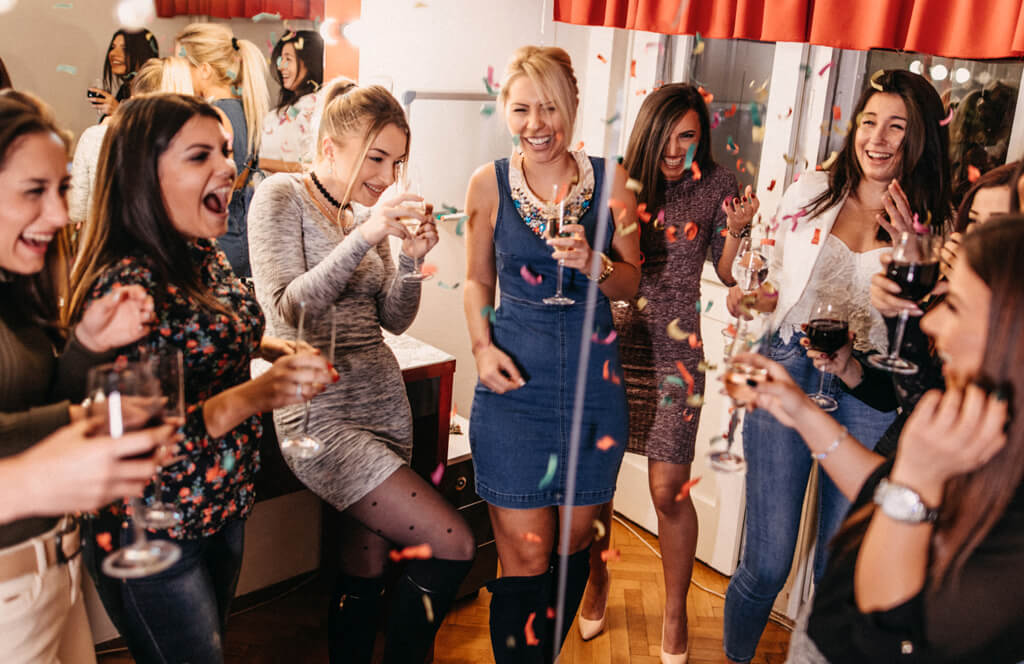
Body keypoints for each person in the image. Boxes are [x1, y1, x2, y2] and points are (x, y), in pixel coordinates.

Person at [65, 93, 333, 664]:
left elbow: (207, 326)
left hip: (221, 502)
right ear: (144, 176)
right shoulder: (122, 289)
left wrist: (266, 344)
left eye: (226, 151)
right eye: (199, 156)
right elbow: (138, 440)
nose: (227, 167)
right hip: (152, 526)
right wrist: (257, 394)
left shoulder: (197, 250)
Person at [722, 69, 952, 664]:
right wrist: (750, 294)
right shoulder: (811, 191)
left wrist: (918, 260)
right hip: (791, 366)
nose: (877, 138)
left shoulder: (934, 228)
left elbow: (929, 341)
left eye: (897, 126)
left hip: (869, 390)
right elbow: (764, 281)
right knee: (768, 560)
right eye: (869, 122)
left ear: (919, 139)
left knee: (836, 564)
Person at [249, 79, 474, 664]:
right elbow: (288, 308)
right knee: (452, 546)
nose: (386, 175)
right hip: (323, 421)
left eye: (396, 161)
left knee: (364, 569)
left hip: (383, 410)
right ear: (329, 148)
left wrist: (411, 259)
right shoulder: (280, 196)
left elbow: (393, 321)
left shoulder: (358, 213)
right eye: (376, 157)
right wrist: (367, 233)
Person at [743, 216, 1024, 663]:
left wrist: (914, 483)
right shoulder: (979, 426)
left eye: (957, 306)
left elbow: (882, 635)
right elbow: (884, 488)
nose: (930, 326)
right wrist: (796, 407)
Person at [462, 45, 641, 662]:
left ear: (571, 107)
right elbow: (476, 281)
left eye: (548, 109)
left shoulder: (613, 182)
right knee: (526, 556)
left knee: (569, 550)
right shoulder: (488, 184)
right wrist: (481, 348)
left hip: (594, 387)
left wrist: (596, 263)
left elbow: (633, 283)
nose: (535, 124)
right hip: (514, 385)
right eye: (520, 110)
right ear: (505, 112)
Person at [577, 83, 756, 661]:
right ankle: (598, 581)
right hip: (616, 339)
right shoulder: (617, 180)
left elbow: (727, 275)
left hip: (678, 348)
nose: (677, 151)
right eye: (668, 137)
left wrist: (739, 230)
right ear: (648, 133)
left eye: (689, 137)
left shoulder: (718, 185)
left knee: (667, 490)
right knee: (599, 483)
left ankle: (675, 616)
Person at [0, 89, 170, 664]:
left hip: (56, 571)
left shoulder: (16, 287)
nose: (57, 213)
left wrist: (86, 346)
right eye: (33, 192)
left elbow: (33, 403)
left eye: (62, 188)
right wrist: (74, 421)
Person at [176, 22, 270, 279]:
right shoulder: (242, 109)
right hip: (240, 234)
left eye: (183, 63)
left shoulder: (215, 115)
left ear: (204, 70)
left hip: (223, 239)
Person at [259, 30, 325, 174]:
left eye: (288, 59)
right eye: (280, 60)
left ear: (309, 62)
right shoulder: (288, 108)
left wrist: (264, 163)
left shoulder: (317, 107)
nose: (281, 66)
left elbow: (315, 168)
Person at [87, 29, 159, 120]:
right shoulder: (125, 90)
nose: (113, 53)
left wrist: (118, 111)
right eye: (113, 47)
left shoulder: (157, 95)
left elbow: (148, 131)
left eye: (124, 48)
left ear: (143, 53)